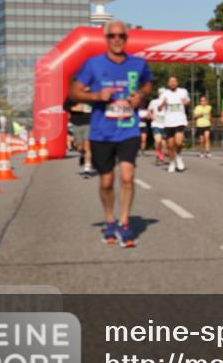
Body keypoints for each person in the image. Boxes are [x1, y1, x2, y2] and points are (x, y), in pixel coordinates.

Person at [69, 20, 153, 247]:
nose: (117, 39)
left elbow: (148, 84)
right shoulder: (92, 65)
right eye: (112, 36)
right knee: (106, 181)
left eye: (121, 36)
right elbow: (74, 91)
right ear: (106, 39)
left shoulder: (138, 63)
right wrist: (96, 96)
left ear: (127, 38)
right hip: (100, 132)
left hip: (128, 129)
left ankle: (124, 222)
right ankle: (109, 220)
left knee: (127, 176)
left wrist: (140, 96)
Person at [158, 76, 190, 173]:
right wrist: (163, 103)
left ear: (177, 83)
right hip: (168, 122)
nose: (172, 83)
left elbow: (188, 101)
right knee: (171, 146)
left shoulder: (183, 91)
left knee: (179, 142)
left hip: (180, 120)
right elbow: (159, 108)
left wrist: (186, 102)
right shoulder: (164, 93)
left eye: (174, 81)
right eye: (170, 81)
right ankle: (172, 162)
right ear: (168, 84)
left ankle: (179, 156)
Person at [65, 98, 93, 176]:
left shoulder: (93, 94)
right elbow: (65, 106)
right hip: (76, 123)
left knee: (88, 145)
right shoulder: (73, 95)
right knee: (79, 147)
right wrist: (73, 108)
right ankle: (82, 154)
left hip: (89, 123)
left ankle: (87, 168)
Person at [148, 89, 166, 165]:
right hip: (156, 124)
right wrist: (151, 116)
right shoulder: (153, 102)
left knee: (164, 144)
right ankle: (158, 153)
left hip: (165, 125)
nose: (162, 95)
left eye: (163, 93)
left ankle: (160, 153)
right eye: (161, 93)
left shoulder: (168, 102)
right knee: (158, 141)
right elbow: (149, 110)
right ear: (158, 94)